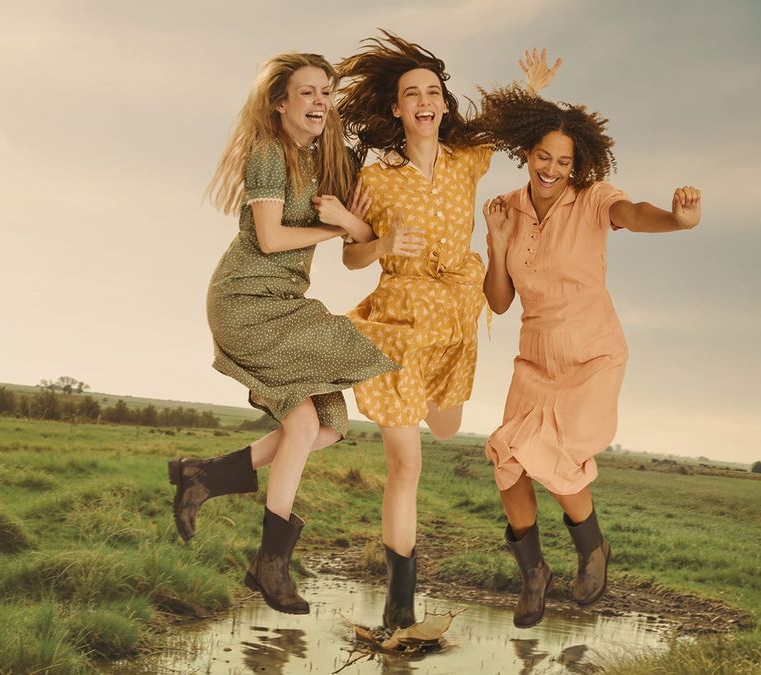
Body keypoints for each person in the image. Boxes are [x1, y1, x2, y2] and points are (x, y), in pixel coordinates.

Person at [335, 32, 561, 630]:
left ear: (442, 103)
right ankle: (400, 604)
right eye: (413, 94)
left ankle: (438, 406)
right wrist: (383, 243)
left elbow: (509, 130)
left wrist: (533, 91)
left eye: (433, 91)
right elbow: (351, 258)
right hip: (399, 321)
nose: (425, 101)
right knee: (405, 464)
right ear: (396, 109)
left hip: (456, 314)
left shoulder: (466, 158)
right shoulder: (376, 178)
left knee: (446, 425)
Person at [167, 52, 397, 615]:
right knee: (317, 406)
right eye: (307, 93)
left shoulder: (324, 163)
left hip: (285, 304)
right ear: (280, 103)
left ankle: (204, 476)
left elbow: (360, 238)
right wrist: (330, 224)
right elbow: (269, 238)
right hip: (246, 300)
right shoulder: (269, 155)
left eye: (326, 93)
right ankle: (270, 565)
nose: (320, 102)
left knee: (325, 426)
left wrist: (348, 222)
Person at [476, 84, 702, 628]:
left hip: (592, 354)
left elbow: (635, 211)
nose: (551, 169)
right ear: (526, 153)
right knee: (507, 463)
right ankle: (534, 575)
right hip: (535, 358)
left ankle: (593, 549)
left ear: (578, 164)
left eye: (563, 161)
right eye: (542, 157)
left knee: (557, 463)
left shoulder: (595, 198)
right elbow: (500, 302)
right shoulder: (505, 207)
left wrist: (677, 220)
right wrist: (497, 242)